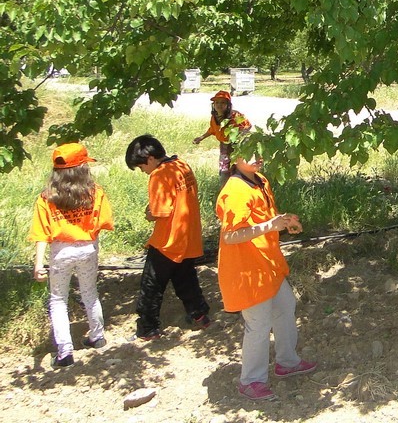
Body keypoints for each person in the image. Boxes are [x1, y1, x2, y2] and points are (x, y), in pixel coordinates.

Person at [217, 152, 317, 401]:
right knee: (258, 324)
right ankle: (251, 381)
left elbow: (264, 219)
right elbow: (230, 236)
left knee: (285, 306)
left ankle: (287, 361)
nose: (257, 157)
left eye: (260, 150)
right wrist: (270, 226)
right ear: (234, 159)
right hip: (247, 270)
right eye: (249, 153)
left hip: (268, 263)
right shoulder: (235, 190)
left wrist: (284, 222)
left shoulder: (259, 180)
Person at [28, 143, 114, 368]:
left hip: (60, 251)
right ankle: (97, 337)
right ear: (83, 167)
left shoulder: (46, 197)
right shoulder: (96, 192)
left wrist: (39, 264)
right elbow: (103, 222)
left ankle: (65, 352)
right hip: (88, 247)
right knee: (90, 293)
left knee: (58, 300)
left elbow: (41, 233)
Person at [125, 134, 211, 340]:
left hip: (167, 240)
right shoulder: (182, 165)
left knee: (151, 285)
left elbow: (158, 212)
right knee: (186, 278)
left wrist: (148, 213)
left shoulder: (159, 175)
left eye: (141, 166)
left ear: (150, 159)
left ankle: (148, 327)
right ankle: (200, 315)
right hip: (187, 236)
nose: (143, 171)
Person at [193, 90, 252, 189]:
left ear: (228, 105)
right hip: (224, 146)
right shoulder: (214, 117)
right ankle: (224, 189)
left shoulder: (235, 116)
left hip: (236, 147)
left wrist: (240, 138)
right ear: (213, 105)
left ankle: (241, 188)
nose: (219, 105)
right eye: (217, 102)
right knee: (224, 169)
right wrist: (201, 138)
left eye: (223, 102)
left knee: (239, 167)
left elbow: (247, 126)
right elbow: (212, 130)